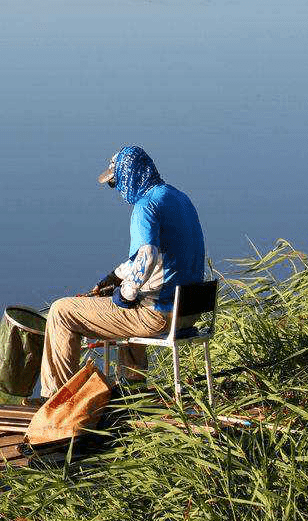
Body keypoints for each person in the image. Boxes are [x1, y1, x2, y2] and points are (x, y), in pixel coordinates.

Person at [39, 146, 205, 397]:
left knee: (61, 311)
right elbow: (158, 255)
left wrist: (126, 293)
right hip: (187, 312)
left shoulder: (145, 207)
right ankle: (134, 391)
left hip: (159, 316)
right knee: (133, 302)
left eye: (115, 182)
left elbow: (147, 256)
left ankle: (56, 399)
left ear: (129, 176)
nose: (116, 189)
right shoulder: (179, 198)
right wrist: (115, 277)